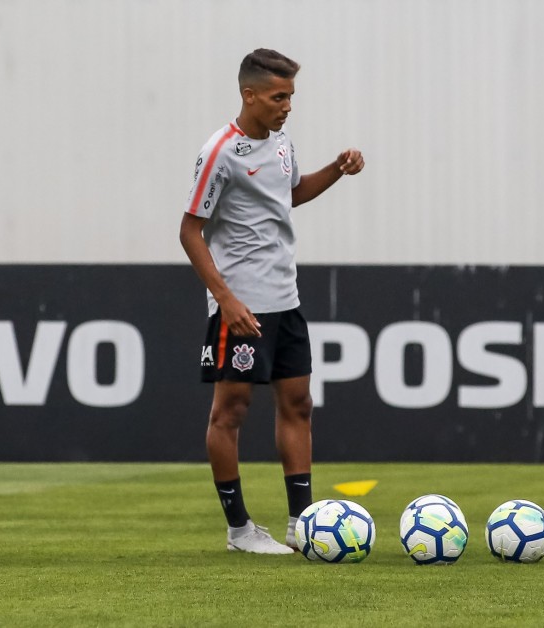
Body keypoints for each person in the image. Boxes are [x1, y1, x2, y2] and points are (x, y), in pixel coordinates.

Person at [180, 48, 364, 554]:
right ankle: (239, 530)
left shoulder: (281, 142)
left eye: (291, 97)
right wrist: (225, 298)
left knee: (298, 404)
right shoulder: (219, 151)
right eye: (279, 96)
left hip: (286, 297)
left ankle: (301, 524)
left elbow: (291, 194)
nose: (287, 106)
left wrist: (337, 169)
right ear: (250, 94)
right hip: (241, 305)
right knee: (231, 411)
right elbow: (190, 231)